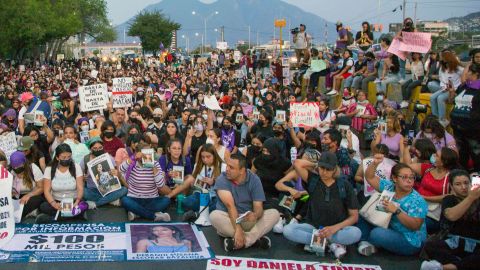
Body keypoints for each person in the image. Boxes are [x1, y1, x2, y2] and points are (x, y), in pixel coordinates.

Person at [283, 152, 361, 258]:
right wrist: (315, 164)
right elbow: (297, 163)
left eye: (328, 169)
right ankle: (330, 244)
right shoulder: (313, 180)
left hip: (336, 229)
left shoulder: (344, 185)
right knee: (288, 230)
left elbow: (354, 216)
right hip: (313, 227)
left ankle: (319, 243)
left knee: (356, 233)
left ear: (334, 169)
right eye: (322, 168)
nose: (324, 172)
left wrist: (334, 228)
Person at [359, 155, 427, 256]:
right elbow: (370, 177)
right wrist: (375, 163)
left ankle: (371, 243)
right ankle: (365, 242)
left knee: (376, 233)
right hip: (390, 227)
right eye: (404, 177)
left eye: (412, 177)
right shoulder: (389, 186)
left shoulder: (417, 200)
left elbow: (415, 226)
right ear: (394, 178)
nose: (409, 181)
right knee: (364, 214)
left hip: (409, 240)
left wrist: (396, 210)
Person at [210, 153, 280, 252]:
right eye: (227, 166)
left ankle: (242, 241)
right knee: (214, 216)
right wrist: (238, 229)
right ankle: (253, 239)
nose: (227, 170)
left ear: (242, 170)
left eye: (231, 167)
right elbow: (230, 206)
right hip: (229, 218)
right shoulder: (222, 179)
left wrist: (255, 215)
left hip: (248, 220)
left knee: (275, 214)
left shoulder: (254, 179)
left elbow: (258, 206)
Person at [421, 169, 480, 270]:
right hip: (453, 242)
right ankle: (463, 264)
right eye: (458, 184)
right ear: (452, 187)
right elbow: (451, 216)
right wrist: (470, 198)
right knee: (431, 245)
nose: (463, 187)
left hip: (476, 244)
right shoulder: (449, 199)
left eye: (466, 183)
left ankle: (448, 267)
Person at [37, 144, 88, 223]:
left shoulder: (76, 167)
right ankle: (75, 215)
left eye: (69, 157)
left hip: (74, 201)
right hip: (57, 202)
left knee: (84, 205)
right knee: (43, 206)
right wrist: (54, 204)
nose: (67, 159)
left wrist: (77, 202)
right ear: (57, 157)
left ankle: (53, 218)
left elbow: (80, 188)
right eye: (63, 157)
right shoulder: (49, 169)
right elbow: (46, 191)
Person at [119, 142, 171, 221]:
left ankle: (137, 213)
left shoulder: (156, 164)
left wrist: (153, 166)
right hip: (134, 198)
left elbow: (160, 185)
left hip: (152, 199)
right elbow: (120, 169)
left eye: (150, 153)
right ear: (139, 154)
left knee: (166, 200)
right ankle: (154, 216)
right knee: (124, 200)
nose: (148, 155)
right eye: (145, 153)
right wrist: (133, 158)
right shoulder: (132, 163)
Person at [449, 63, 480, 172]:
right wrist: (452, 93)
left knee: (476, 156)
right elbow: (452, 101)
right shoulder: (463, 86)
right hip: (457, 127)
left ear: (476, 74)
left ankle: (477, 183)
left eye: (467, 71)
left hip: (473, 130)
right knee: (461, 156)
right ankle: (463, 176)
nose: (465, 74)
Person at [81, 137, 127, 209]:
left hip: (109, 189)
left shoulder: (109, 157)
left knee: (124, 190)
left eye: (100, 147)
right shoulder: (85, 159)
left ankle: (96, 204)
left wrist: (117, 174)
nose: (98, 150)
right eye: (95, 148)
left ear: (103, 147)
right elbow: (80, 176)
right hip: (93, 190)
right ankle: (110, 200)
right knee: (82, 191)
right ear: (90, 149)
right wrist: (83, 178)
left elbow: (117, 174)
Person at [430, 51, 465, 127]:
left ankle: (443, 120)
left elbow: (464, 79)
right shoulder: (442, 68)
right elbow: (442, 79)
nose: (441, 59)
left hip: (455, 89)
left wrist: (457, 88)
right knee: (432, 97)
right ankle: (435, 118)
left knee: (440, 98)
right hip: (445, 88)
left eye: (442, 57)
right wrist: (444, 87)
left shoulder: (458, 68)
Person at [10, 151, 45, 219]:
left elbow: (41, 188)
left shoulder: (33, 168)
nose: (16, 168)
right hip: (17, 197)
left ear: (24, 163)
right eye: (14, 167)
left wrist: (28, 195)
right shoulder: (10, 171)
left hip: (32, 195)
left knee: (37, 200)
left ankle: (19, 214)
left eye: (19, 166)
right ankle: (27, 213)